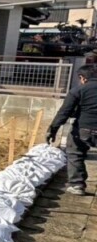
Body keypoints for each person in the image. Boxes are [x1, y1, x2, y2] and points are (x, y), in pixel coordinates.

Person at [47, 64, 97, 195]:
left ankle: (77, 185)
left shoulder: (78, 90)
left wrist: (52, 130)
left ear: (82, 78)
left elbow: (64, 112)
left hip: (83, 128)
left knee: (75, 153)